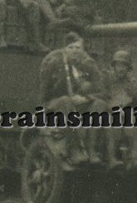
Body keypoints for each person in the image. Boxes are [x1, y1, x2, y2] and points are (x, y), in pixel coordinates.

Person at [39, 31, 106, 163]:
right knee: (65, 101)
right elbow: (44, 89)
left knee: (100, 104)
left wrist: (86, 98)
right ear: (64, 49)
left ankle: (91, 150)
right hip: (56, 103)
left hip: (78, 102)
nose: (74, 51)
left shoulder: (87, 65)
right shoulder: (55, 63)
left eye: (78, 48)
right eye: (71, 47)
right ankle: (74, 149)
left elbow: (102, 90)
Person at [105, 49, 137, 167]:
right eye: (118, 65)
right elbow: (104, 97)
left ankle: (133, 156)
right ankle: (111, 159)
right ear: (114, 66)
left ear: (128, 68)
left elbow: (136, 101)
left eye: (124, 65)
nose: (121, 68)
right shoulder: (108, 80)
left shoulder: (131, 82)